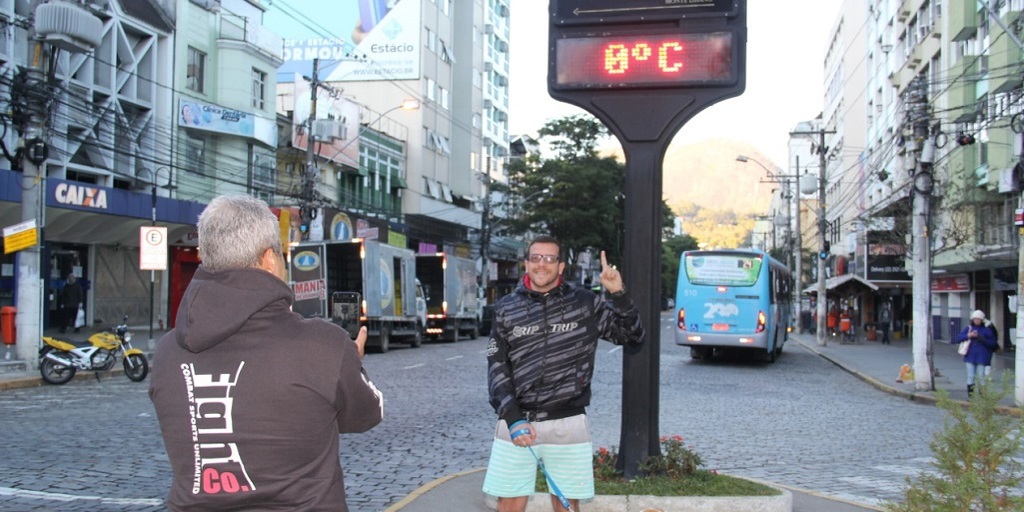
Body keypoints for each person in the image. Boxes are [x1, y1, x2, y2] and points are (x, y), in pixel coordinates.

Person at [148, 194, 383, 512]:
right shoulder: (323, 346)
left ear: (206, 256)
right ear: (270, 259)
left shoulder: (166, 353)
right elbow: (366, 414)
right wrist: (350, 364)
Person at [483, 235, 644, 512]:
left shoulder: (584, 303)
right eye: (536, 258)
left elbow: (633, 337)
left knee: (568, 505)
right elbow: (497, 366)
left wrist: (619, 293)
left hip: (568, 421)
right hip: (517, 422)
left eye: (549, 258)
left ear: (560, 267)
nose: (541, 264)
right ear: (526, 264)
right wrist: (512, 418)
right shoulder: (506, 308)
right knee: (509, 504)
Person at [953, 309, 998, 398]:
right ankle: (971, 397)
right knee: (970, 376)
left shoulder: (987, 330)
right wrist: (968, 336)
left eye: (978, 319)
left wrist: (981, 338)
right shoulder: (968, 328)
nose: (976, 321)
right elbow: (958, 338)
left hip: (982, 356)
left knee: (981, 376)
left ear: (982, 320)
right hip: (970, 356)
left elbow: (992, 343)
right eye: (975, 319)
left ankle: (982, 396)